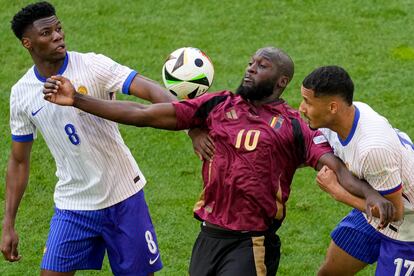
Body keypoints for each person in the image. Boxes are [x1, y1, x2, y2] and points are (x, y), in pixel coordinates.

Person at [43, 46, 395, 275]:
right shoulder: (218, 105)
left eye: (262, 66)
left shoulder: (292, 125)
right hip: (209, 236)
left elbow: (334, 167)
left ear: (281, 81)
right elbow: (145, 112)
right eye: (251, 62)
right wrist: (79, 101)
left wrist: (371, 195)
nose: (251, 68)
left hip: (252, 241)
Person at [0, 1, 206, 275]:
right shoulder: (22, 93)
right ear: (28, 42)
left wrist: (191, 127)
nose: (58, 35)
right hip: (73, 203)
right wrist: (8, 224)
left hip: (124, 196)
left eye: (59, 28)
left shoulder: (94, 65)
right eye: (47, 33)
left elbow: (151, 90)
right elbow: (18, 161)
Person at [298, 65, 414, 276]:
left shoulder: (372, 149)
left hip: (408, 227)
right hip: (373, 212)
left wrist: (337, 192)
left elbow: (395, 213)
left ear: (332, 107)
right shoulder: (338, 120)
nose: (301, 108)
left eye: (307, 102)